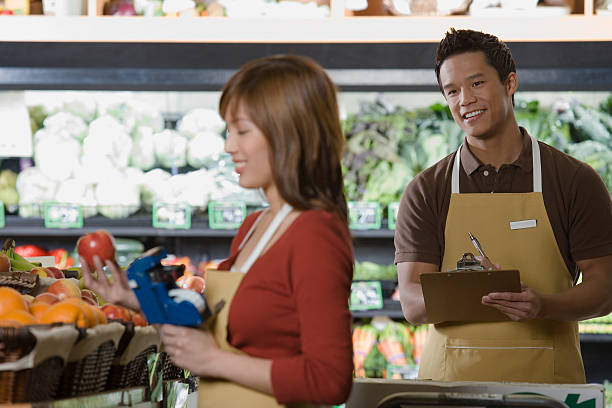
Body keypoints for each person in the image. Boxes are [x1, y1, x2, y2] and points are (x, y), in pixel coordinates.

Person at [82, 54, 354, 407]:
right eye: (228, 130)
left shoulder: (315, 235)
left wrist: (214, 361)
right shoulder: (254, 227)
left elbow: (330, 380)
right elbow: (214, 322)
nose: (229, 146)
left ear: (289, 133)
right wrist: (135, 299)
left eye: (242, 131)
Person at [395, 28, 612, 383]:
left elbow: (604, 289)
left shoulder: (574, 180)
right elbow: (413, 303)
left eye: (477, 83)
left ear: (510, 82)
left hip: (547, 391)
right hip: (452, 392)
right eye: (452, 91)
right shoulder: (426, 190)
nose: (464, 99)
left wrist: (544, 305)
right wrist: (477, 289)